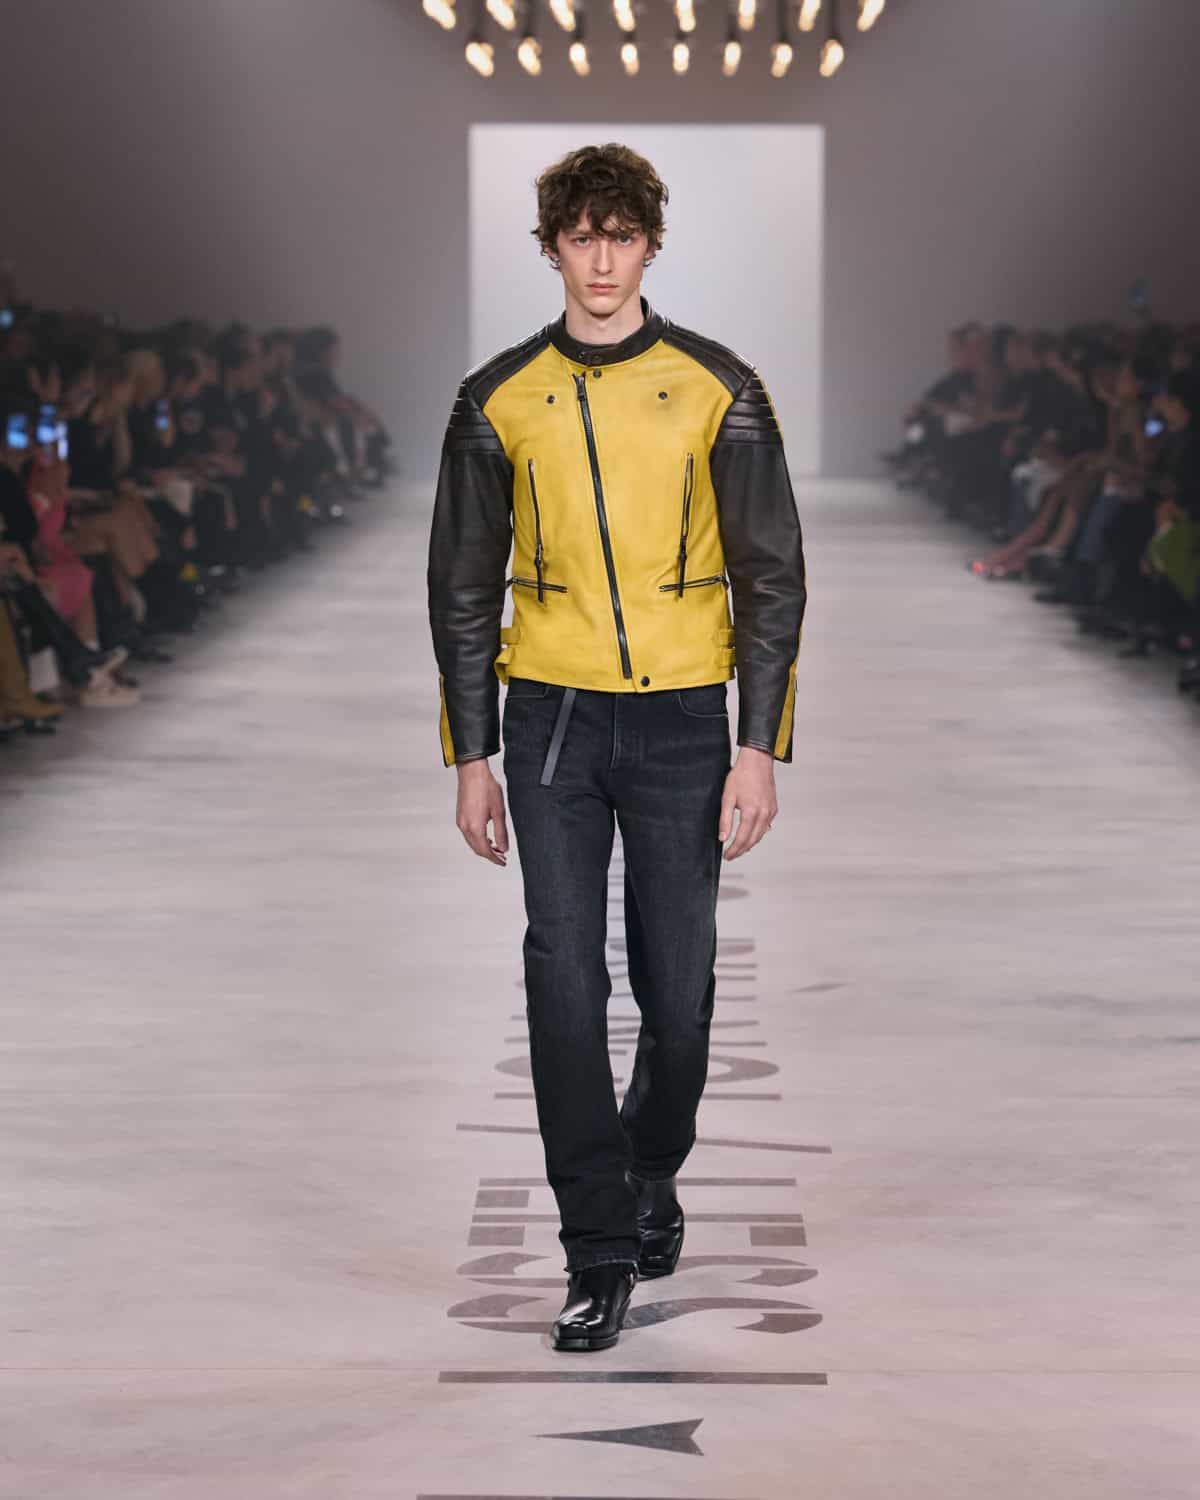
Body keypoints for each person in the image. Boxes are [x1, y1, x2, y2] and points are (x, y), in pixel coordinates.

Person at [426, 142, 808, 1353]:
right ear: (552, 248)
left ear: (650, 245)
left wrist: (759, 746)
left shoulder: (718, 387)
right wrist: (472, 755)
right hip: (550, 718)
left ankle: (649, 1167)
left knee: (679, 997)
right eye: (582, 237)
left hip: (685, 718)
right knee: (562, 976)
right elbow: (460, 589)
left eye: (621, 236)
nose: (602, 260)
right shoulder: (496, 398)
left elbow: (772, 575)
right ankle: (596, 1245)